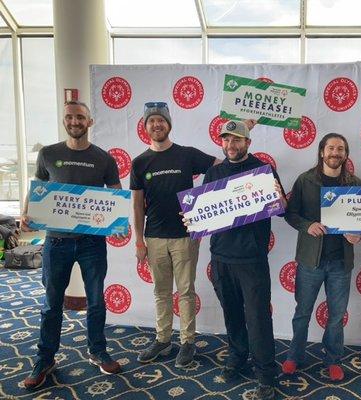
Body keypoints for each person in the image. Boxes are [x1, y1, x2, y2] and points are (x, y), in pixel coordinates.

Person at [22, 101, 123, 389]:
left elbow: (115, 196)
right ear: (64, 120)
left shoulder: (103, 158)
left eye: (80, 117)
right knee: (52, 304)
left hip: (92, 242)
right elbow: (38, 189)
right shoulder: (48, 154)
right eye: (69, 116)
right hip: (56, 242)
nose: (74, 121)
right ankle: (45, 358)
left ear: (89, 122)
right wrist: (27, 214)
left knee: (96, 300)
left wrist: (116, 223)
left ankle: (98, 350)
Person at [198, 120, 286, 400]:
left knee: (258, 317)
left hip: (251, 259)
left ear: (248, 143)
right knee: (231, 312)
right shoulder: (213, 172)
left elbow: (281, 209)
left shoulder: (262, 170)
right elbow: (203, 214)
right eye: (226, 139)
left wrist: (278, 197)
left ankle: (266, 374)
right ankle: (237, 356)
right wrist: (193, 217)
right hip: (221, 256)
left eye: (237, 140)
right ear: (221, 142)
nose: (231, 145)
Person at [131, 102, 219, 367]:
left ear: (169, 124)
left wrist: (204, 210)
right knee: (161, 292)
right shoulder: (139, 162)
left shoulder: (187, 155)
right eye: (151, 121)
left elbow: (219, 168)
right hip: (154, 237)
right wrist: (139, 240)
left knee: (186, 291)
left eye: (161, 121)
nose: (156, 125)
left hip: (185, 236)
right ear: (145, 127)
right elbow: (137, 205)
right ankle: (163, 339)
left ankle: (188, 342)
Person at [282, 133, 361, 381]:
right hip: (310, 260)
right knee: (302, 312)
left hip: (341, 261)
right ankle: (294, 356)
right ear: (321, 151)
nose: (335, 153)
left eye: (340, 148)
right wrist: (307, 225)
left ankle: (333, 359)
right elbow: (290, 213)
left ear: (345, 154)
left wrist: (358, 235)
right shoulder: (305, 180)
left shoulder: (356, 184)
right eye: (331, 148)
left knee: (337, 315)